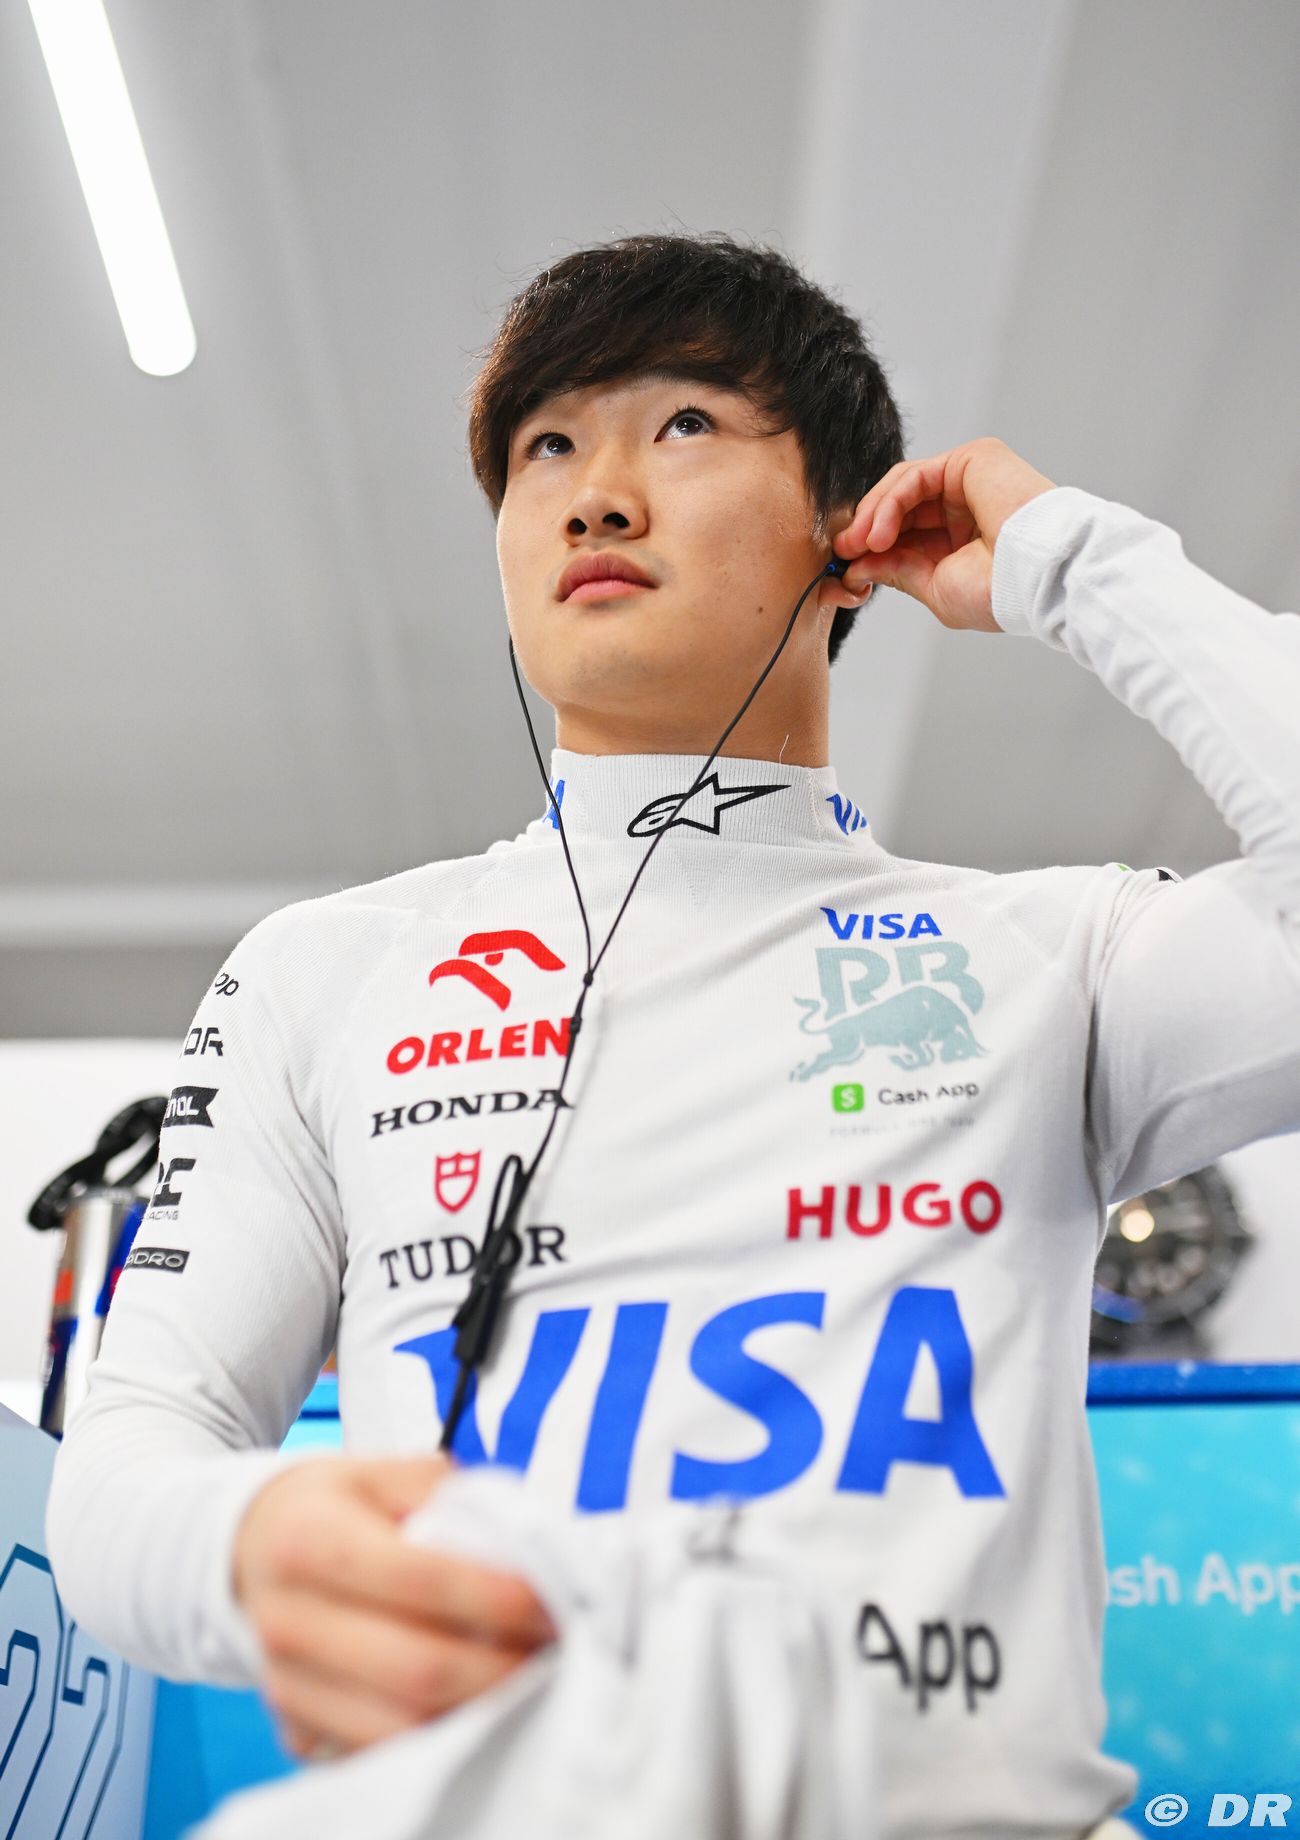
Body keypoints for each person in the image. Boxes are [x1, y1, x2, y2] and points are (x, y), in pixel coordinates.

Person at [47, 231, 1300, 1839]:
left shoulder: (1057, 960)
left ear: (849, 536)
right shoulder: (325, 973)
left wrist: (1074, 560)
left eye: (686, 424)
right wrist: (244, 1546)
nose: (597, 496)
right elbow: (131, 1456)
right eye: (546, 448)